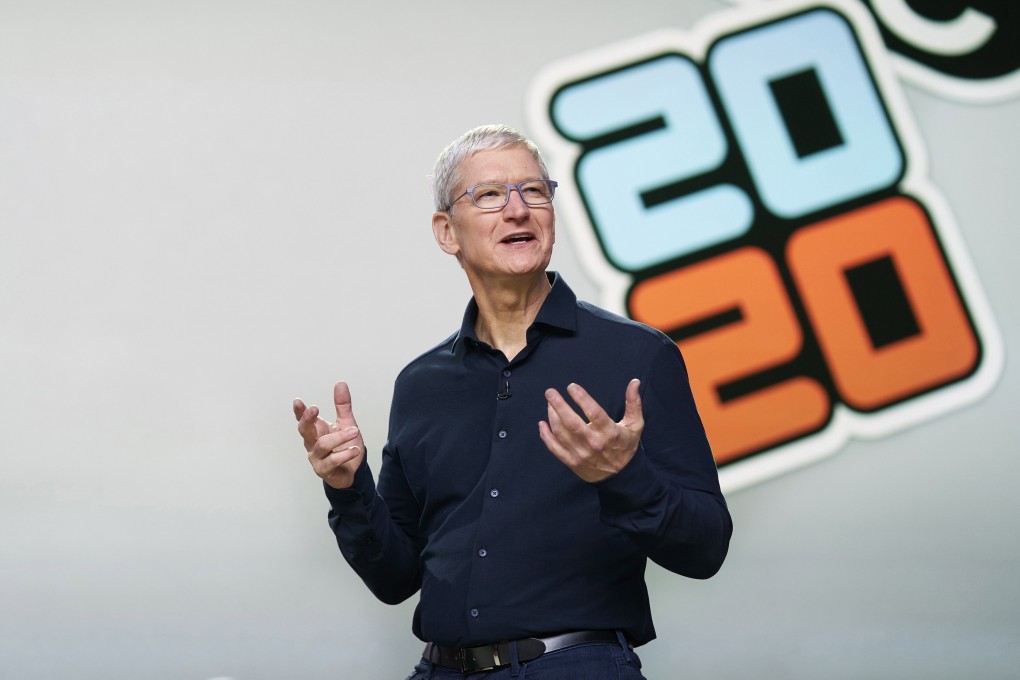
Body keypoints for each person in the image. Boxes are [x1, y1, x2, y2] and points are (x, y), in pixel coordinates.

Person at [293, 124, 732, 679]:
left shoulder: (638, 357)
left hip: (575, 666)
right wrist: (346, 488)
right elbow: (395, 578)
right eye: (491, 195)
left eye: (535, 191)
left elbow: (706, 549)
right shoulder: (422, 384)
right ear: (446, 231)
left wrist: (623, 475)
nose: (519, 210)